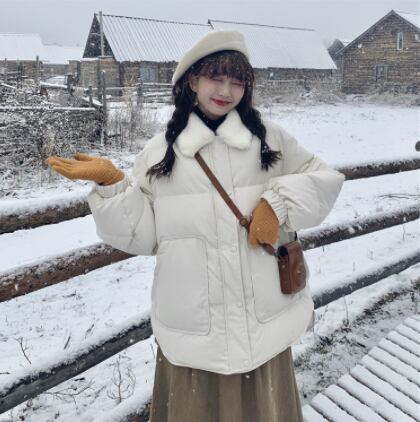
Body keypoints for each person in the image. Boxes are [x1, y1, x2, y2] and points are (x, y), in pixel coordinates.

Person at [47, 30, 345, 422]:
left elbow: (323, 179)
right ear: (192, 81)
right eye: (215, 78)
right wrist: (113, 185)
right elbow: (143, 235)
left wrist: (277, 205)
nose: (225, 91)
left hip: (262, 329)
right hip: (195, 335)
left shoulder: (270, 139)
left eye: (237, 81)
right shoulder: (161, 152)